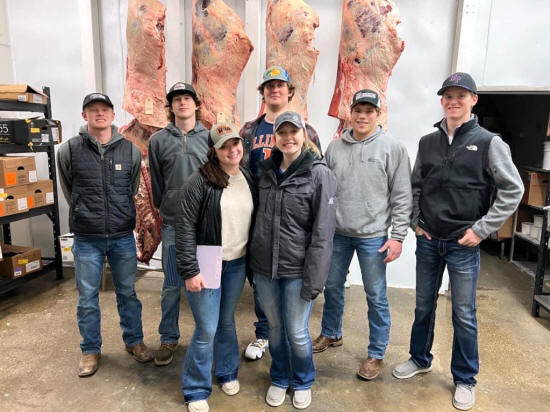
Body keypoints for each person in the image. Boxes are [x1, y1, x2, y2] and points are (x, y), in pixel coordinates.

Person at [392, 72, 524, 411]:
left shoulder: (489, 143)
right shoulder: (428, 142)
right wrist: (415, 222)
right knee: (423, 305)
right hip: (429, 240)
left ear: (473, 100)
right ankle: (420, 358)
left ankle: (465, 379)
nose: (454, 101)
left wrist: (482, 229)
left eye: (461, 96)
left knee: (464, 313)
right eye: (448, 96)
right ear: (442, 101)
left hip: (463, 243)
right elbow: (416, 185)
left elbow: (513, 189)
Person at [312, 89, 413, 381]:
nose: (362, 116)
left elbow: (402, 195)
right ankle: (331, 332)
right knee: (332, 286)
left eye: (369, 111)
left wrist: (398, 237)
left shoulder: (392, 148)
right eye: (358, 110)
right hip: (338, 234)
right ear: (350, 113)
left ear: (378, 114)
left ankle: (376, 352)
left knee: (376, 295)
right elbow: (323, 190)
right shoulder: (335, 148)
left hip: (374, 236)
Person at [57, 92, 153, 377]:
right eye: (93, 109)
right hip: (87, 238)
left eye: (105, 109)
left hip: (122, 236)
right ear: (84, 115)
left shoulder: (130, 151)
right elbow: (69, 189)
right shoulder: (69, 150)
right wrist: (84, 211)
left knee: (128, 293)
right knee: (87, 297)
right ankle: (90, 349)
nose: (99, 114)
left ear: (113, 115)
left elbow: (131, 187)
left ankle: (134, 341)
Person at [249, 111, 336, 409]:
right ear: (275, 137)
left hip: (298, 269)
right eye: (282, 133)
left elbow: (323, 233)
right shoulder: (265, 171)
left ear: (304, 134)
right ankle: (279, 377)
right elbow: (255, 219)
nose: (288, 138)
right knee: (274, 328)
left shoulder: (319, 174)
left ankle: (302, 380)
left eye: (293, 132)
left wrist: (316, 278)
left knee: (297, 331)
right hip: (265, 268)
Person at [239, 65, 322, 361]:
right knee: (261, 276)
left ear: (289, 92)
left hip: (292, 216)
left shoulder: (307, 131)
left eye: (280, 85)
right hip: (256, 212)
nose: (274, 90)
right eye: (269, 86)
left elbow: (316, 172)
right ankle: (264, 332)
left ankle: (291, 334)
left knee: (289, 277)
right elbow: (239, 169)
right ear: (262, 92)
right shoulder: (249, 130)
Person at [175, 123, 255, 412]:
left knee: (226, 321)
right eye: (224, 146)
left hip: (237, 261)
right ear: (214, 151)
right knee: (207, 327)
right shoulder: (200, 180)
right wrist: (190, 270)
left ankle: (227, 372)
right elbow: (184, 226)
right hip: (207, 261)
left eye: (235, 143)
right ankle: (195, 388)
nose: (232, 150)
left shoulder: (247, 177)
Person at [148, 82, 209, 366]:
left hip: (205, 226)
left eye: (187, 98)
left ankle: (205, 337)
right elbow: (156, 183)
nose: (182, 103)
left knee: (206, 285)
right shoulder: (158, 141)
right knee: (172, 284)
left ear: (196, 104)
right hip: (174, 225)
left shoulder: (210, 138)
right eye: (176, 100)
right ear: (170, 106)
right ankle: (168, 338)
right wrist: (168, 205)